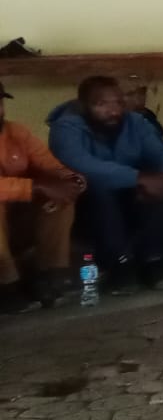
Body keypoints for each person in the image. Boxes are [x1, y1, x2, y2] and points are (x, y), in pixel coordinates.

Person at [47, 75, 163, 293]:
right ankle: (119, 265)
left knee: (158, 187)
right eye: (101, 104)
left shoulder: (135, 122)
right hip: (87, 202)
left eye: (118, 103)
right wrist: (138, 178)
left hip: (131, 195)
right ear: (83, 105)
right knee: (101, 190)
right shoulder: (65, 128)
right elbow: (83, 165)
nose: (113, 111)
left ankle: (154, 261)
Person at [1, 80, 84, 312]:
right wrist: (36, 186)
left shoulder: (16, 132)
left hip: (15, 221)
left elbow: (49, 163)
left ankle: (49, 274)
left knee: (59, 198)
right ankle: (6, 284)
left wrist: (70, 179)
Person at [120, 74, 163, 141]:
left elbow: (158, 133)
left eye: (142, 93)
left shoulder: (148, 115)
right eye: (130, 94)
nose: (139, 98)